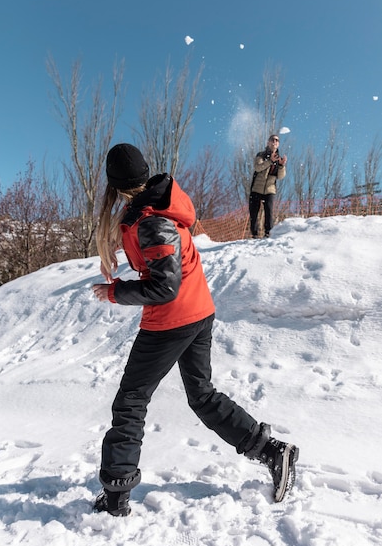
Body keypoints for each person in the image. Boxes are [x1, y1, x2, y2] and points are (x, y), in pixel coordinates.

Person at [92, 142, 298, 517]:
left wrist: (115, 292)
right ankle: (273, 452)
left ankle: (115, 497)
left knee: (131, 401)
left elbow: (163, 286)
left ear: (115, 184)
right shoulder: (151, 206)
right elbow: (158, 264)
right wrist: (120, 269)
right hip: (197, 309)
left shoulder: (152, 220)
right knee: (202, 396)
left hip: (173, 318)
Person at [249, 134, 287, 238]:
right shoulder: (261, 155)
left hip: (270, 189)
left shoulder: (279, 158)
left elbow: (280, 176)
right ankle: (255, 234)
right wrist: (270, 161)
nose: (275, 141)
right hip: (257, 188)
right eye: (272, 139)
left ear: (278, 144)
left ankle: (268, 233)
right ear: (268, 142)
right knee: (254, 213)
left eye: (277, 140)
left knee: (269, 212)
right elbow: (258, 167)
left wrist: (282, 166)